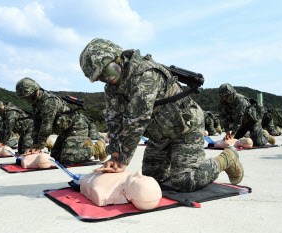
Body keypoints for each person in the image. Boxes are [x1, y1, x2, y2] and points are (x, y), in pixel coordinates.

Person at [79, 38, 244, 192]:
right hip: (160, 136)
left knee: (184, 181)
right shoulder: (112, 89)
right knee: (151, 180)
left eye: (108, 71)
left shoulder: (145, 74)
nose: (108, 79)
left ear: (118, 59)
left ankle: (227, 158)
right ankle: (179, 162)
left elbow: (138, 121)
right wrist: (114, 153)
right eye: (100, 78)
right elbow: (113, 120)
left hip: (185, 129)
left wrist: (121, 161)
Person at [15, 78, 107, 165]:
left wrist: (39, 147)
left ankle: (97, 148)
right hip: (65, 130)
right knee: (55, 157)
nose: (28, 100)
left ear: (36, 91)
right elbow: (36, 125)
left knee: (67, 158)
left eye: (29, 97)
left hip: (77, 128)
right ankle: (82, 144)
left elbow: (46, 126)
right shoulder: (36, 104)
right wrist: (34, 144)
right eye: (25, 98)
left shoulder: (48, 102)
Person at [80, 170, 162, 210]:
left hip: (89, 177)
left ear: (129, 196)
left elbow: (95, 194)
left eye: (135, 180)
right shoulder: (130, 174)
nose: (138, 172)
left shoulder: (103, 192)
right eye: (143, 176)